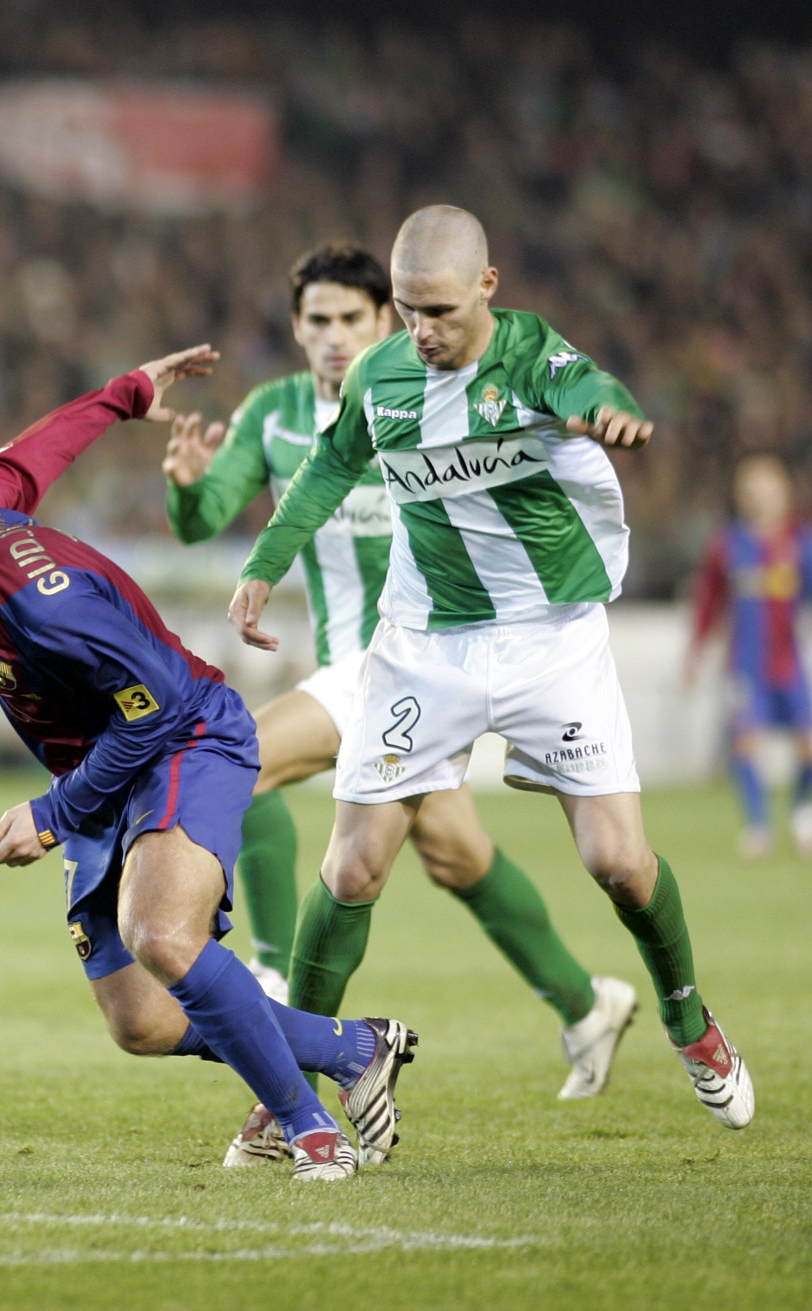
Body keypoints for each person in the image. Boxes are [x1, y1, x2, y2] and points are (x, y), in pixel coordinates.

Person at [0, 346, 418, 1181]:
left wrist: (51, 815)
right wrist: (123, 395)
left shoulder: (45, 610)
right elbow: (30, 458)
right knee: (142, 1022)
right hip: (102, 766)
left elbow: (155, 710)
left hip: (185, 736)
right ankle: (354, 1049)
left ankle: (308, 1130)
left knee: (161, 934)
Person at [229, 206, 755, 1130]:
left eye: (439, 310)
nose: (422, 330)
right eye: (407, 310)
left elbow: (587, 383)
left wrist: (608, 412)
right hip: (425, 644)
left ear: (488, 286)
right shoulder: (382, 375)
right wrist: (264, 566)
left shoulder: (530, 356)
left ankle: (688, 1021)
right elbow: (327, 468)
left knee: (619, 863)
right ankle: (290, 1093)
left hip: (550, 638)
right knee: (352, 869)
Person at [165, 244, 634, 1165]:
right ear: (296, 329)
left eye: (353, 318)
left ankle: (274, 982)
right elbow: (207, 518)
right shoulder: (275, 416)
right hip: (373, 676)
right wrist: (186, 490)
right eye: (318, 321)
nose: (335, 336)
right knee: (458, 856)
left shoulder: (420, 394)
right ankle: (588, 1005)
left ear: (387, 320)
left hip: (419, 658)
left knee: (231, 763)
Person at [684, 456, 812, 859]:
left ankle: (803, 807)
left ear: (783, 493)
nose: (759, 499)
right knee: (746, 746)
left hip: (790, 664)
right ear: (740, 497)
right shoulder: (728, 544)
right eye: (751, 491)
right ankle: (758, 827)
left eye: (767, 490)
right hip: (746, 666)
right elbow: (708, 602)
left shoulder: (799, 541)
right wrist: (695, 653)